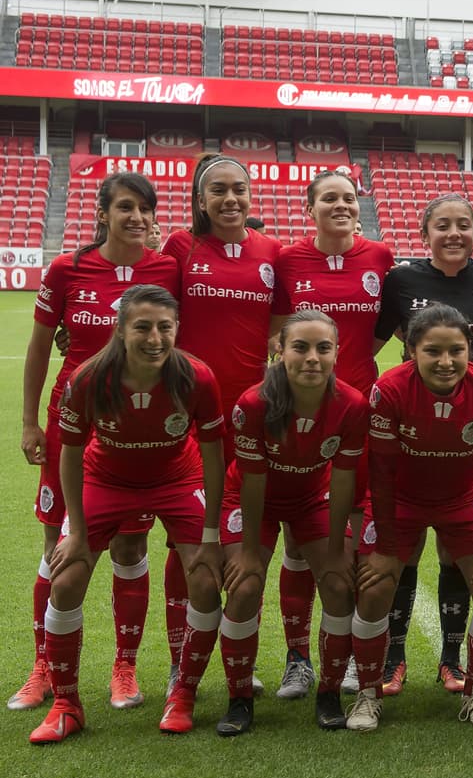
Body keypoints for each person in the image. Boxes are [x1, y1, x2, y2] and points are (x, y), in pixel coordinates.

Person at [11, 173, 181, 714]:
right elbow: (40, 349)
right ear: (102, 214)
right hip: (70, 423)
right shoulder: (67, 269)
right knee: (58, 545)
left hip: (136, 428)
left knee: (131, 547)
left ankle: (124, 667)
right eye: (125, 207)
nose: (136, 217)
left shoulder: (166, 271)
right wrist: (29, 422)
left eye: (145, 209)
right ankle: (43, 664)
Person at [29, 285, 226, 743]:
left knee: (204, 577)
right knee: (66, 579)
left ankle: (184, 695)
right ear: (119, 330)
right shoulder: (90, 377)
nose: (155, 338)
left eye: (165, 327)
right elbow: (72, 455)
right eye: (142, 327)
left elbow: (214, 456)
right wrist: (76, 532)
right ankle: (66, 705)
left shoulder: (197, 376)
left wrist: (212, 534)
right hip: (107, 478)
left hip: (177, 478)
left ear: (177, 329)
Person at [354, 304, 473, 731]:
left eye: (456, 351)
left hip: (463, 497)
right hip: (400, 498)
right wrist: (386, 549)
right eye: (433, 352)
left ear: (470, 351)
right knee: (373, 588)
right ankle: (367, 695)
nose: (446, 362)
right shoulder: (388, 389)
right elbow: (381, 474)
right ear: (410, 351)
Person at [162, 153, 284, 693]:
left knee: (246, 538)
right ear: (200, 200)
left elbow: (281, 330)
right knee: (188, 538)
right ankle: (176, 661)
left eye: (239, 189)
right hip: (191, 416)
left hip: (255, 418)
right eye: (219, 191)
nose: (231, 199)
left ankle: (242, 661)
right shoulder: (179, 248)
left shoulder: (272, 253)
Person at [215, 310, 369, 736]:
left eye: (324, 348)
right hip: (253, 500)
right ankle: (239, 698)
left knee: (339, 585)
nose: (312, 358)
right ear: (279, 350)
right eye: (300, 347)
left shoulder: (353, 405)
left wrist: (337, 546)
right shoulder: (253, 404)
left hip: (310, 497)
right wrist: (247, 553)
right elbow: (252, 481)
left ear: (338, 352)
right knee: (245, 587)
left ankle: (329, 693)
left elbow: (342, 481)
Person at [272, 170, 393, 699]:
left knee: (358, 539)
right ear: (310, 207)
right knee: (300, 543)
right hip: (300, 415)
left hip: (360, 415)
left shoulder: (381, 258)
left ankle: (346, 656)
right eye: (329, 199)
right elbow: (273, 334)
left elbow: (384, 329)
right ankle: (298, 657)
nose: (341, 205)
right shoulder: (286, 260)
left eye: (348, 198)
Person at [375, 193, 473, 695]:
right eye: (442, 225)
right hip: (412, 428)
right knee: (399, 559)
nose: (454, 233)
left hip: (470, 425)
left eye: (464, 225)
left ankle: (452, 659)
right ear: (424, 233)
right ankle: (393, 657)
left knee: (456, 553)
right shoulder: (403, 280)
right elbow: (372, 343)